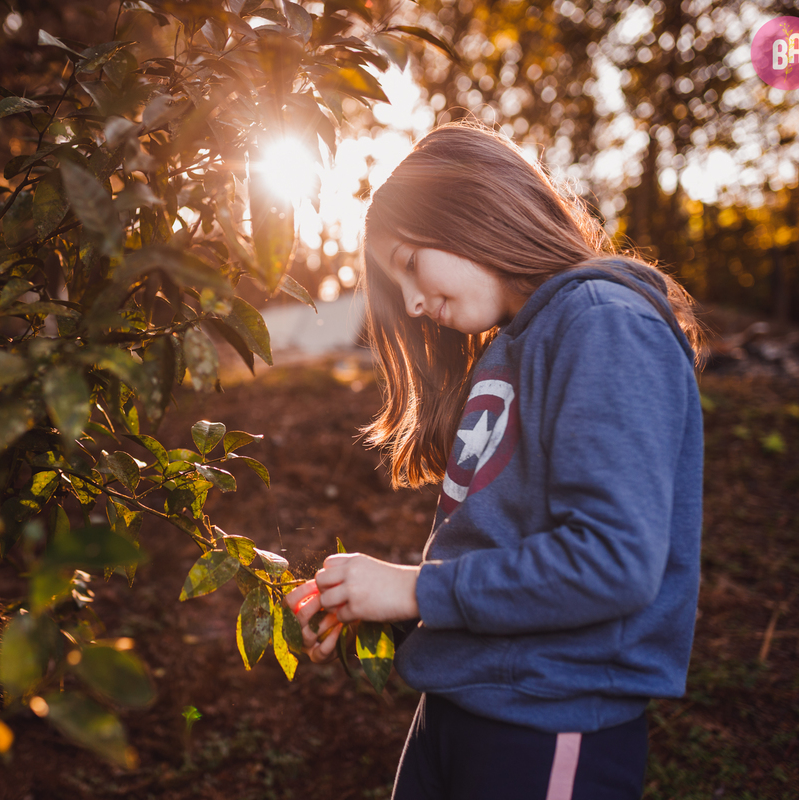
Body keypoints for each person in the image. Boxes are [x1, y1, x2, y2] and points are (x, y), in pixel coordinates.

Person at [284, 121, 704, 800]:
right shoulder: (515, 344)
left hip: (545, 723)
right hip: (460, 704)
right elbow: (504, 545)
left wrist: (416, 588)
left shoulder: (602, 321)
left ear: (471, 210)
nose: (414, 304)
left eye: (409, 264)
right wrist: (385, 600)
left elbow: (612, 561)